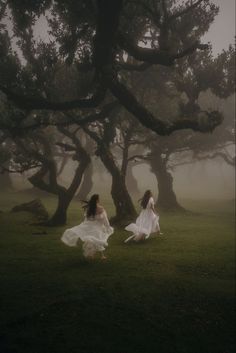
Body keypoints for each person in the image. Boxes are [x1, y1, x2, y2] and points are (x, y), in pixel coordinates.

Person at [61, 194, 113, 259]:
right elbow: (105, 219)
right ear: (97, 200)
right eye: (98, 199)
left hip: (89, 225)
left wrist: (84, 225)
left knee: (92, 239)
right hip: (97, 226)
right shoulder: (100, 208)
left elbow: (87, 219)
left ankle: (94, 254)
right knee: (99, 239)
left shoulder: (89, 208)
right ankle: (100, 255)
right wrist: (108, 227)